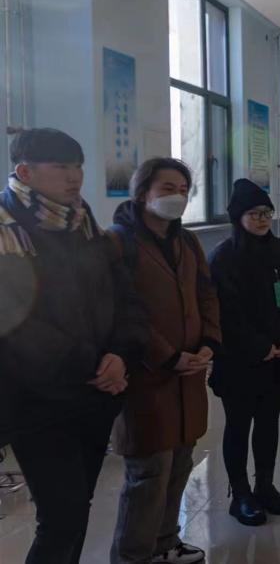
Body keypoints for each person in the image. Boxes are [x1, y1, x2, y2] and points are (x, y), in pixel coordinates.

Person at [0, 128, 149, 564]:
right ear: (24, 172)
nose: (74, 177)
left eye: (78, 166)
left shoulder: (84, 223)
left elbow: (123, 296)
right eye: (61, 167)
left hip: (95, 394)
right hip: (36, 401)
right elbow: (18, 325)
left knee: (77, 508)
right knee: (60, 517)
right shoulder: (7, 230)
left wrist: (121, 354)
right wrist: (96, 365)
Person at [109, 158, 222, 564]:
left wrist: (209, 341)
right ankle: (132, 556)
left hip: (188, 375)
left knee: (179, 463)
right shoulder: (118, 242)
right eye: (168, 188)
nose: (178, 197)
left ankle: (164, 543)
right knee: (148, 475)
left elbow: (206, 293)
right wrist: (168, 356)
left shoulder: (186, 241)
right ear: (143, 193)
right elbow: (123, 311)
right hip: (146, 378)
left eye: (184, 190)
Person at [208, 179, 280, 526]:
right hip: (239, 361)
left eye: (267, 213)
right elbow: (225, 313)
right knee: (238, 426)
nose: (262, 219)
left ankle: (265, 486)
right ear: (238, 218)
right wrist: (258, 346)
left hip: (277, 359)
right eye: (254, 214)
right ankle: (240, 495)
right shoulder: (224, 258)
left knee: (269, 424)